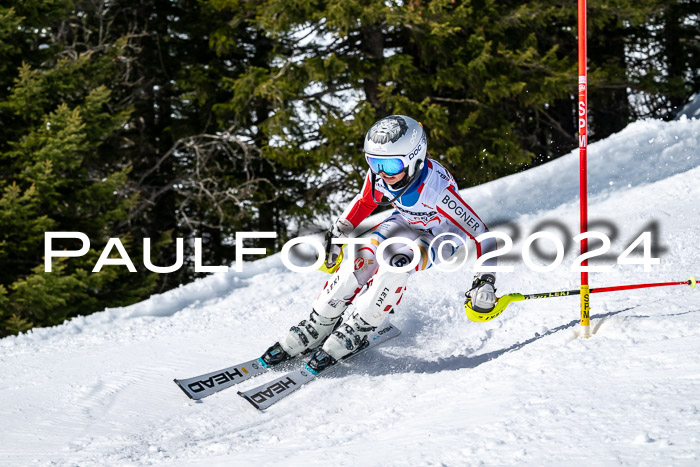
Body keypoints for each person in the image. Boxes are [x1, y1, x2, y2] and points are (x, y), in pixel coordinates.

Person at [261, 115, 499, 372]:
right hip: (407, 220)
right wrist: (338, 233)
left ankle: (361, 325)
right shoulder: (380, 177)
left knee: (396, 263)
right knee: (361, 254)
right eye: (375, 163)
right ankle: (320, 322)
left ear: (415, 158)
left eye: (392, 165)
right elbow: (364, 202)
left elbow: (481, 233)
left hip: (442, 233)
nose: (383, 173)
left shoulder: (437, 191)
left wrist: (484, 280)